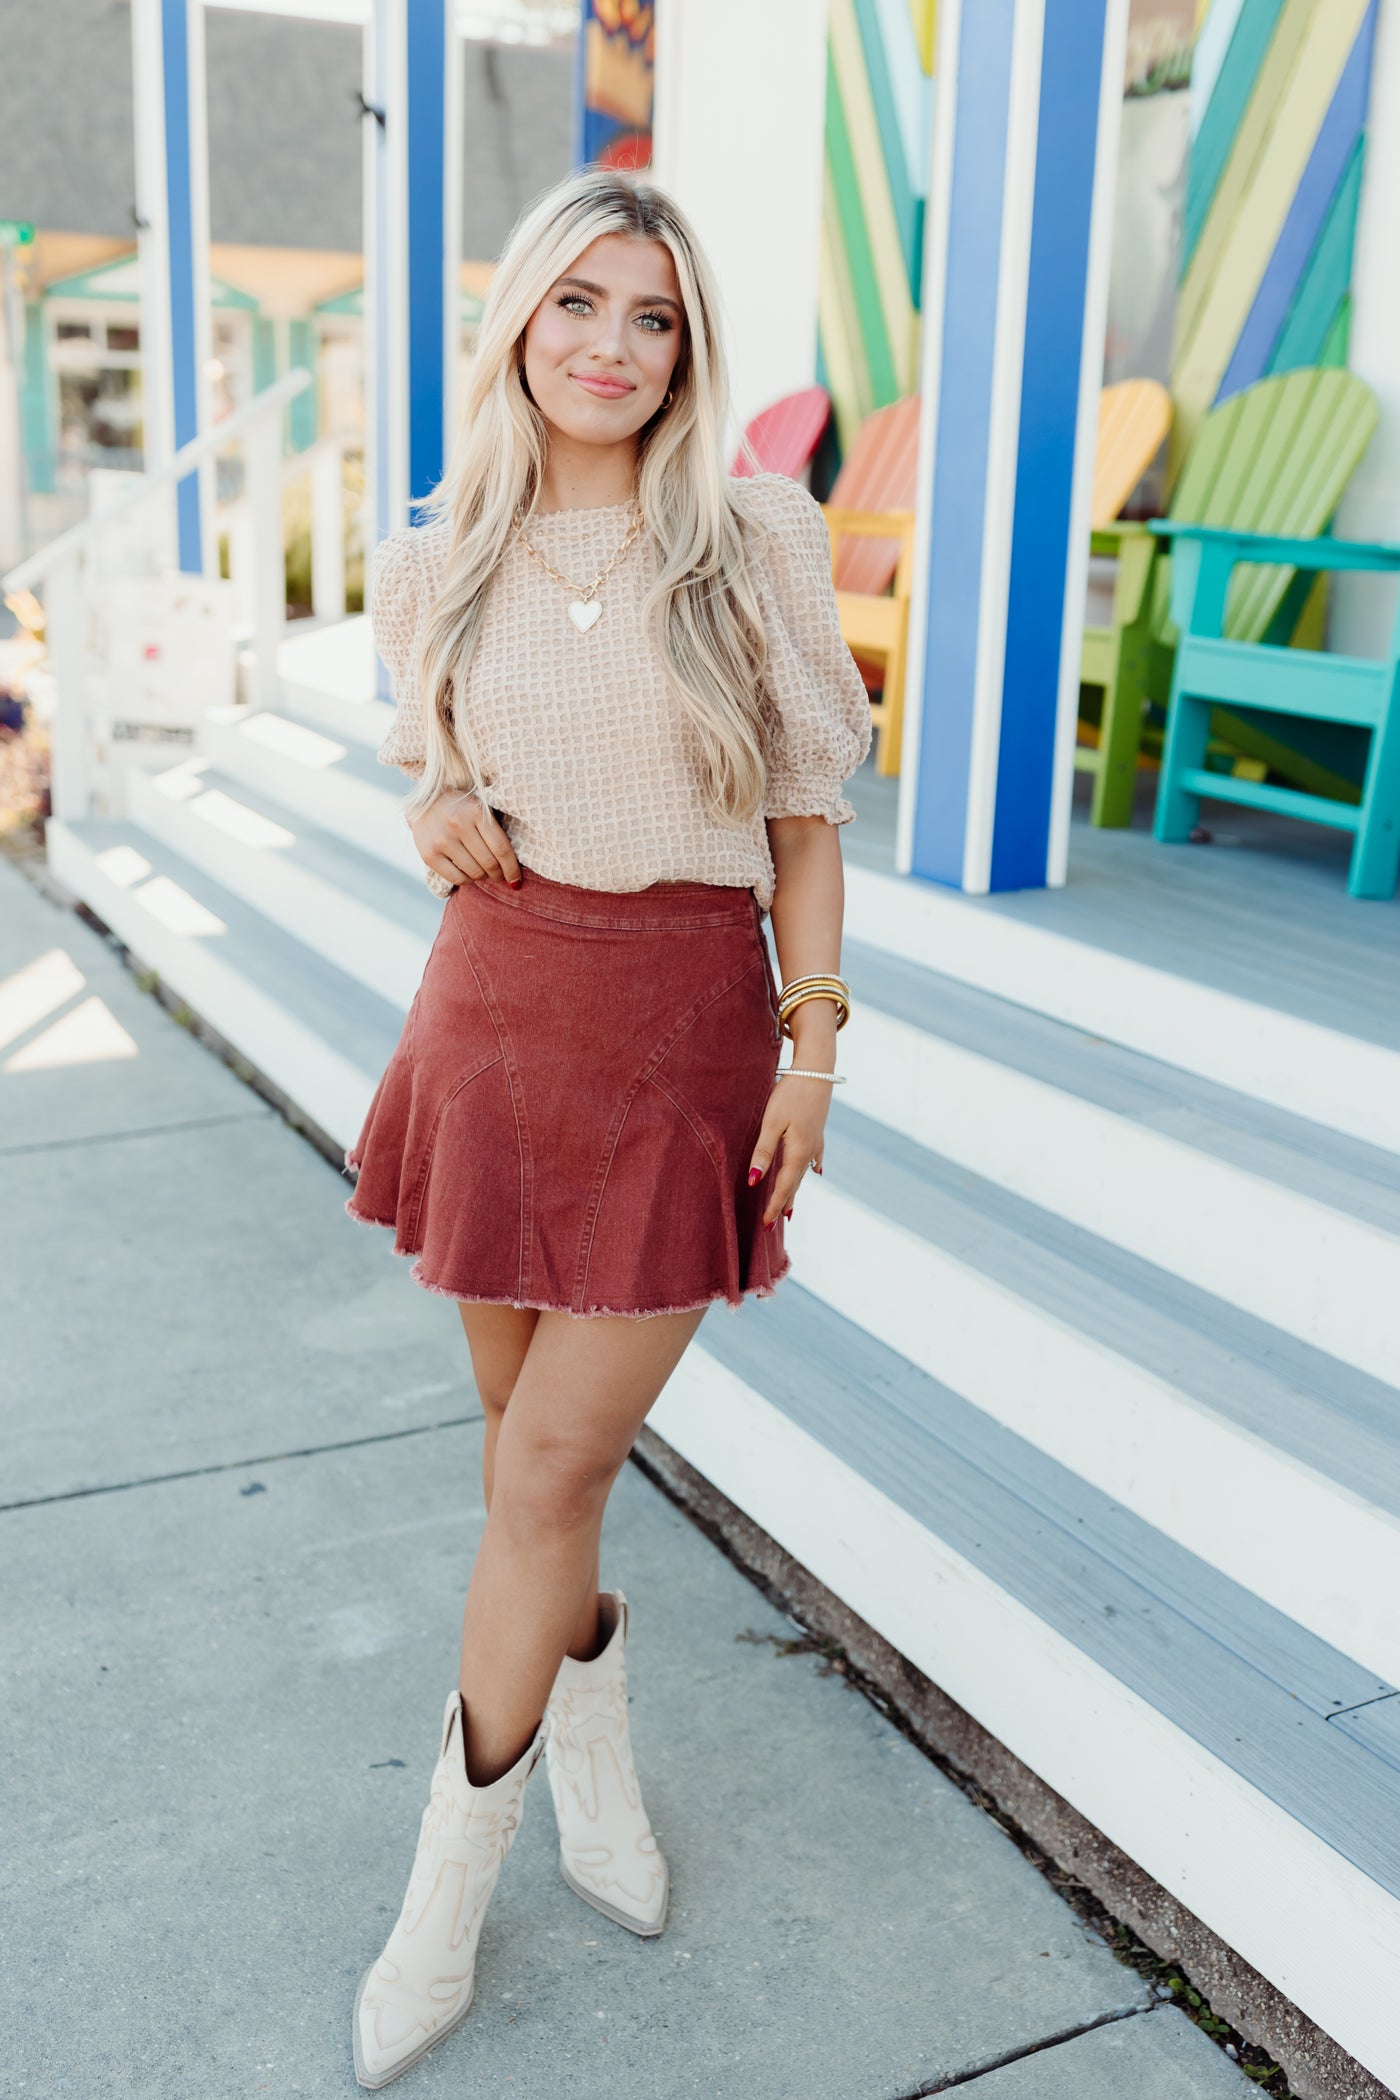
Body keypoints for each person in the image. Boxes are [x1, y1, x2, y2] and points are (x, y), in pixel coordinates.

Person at [340, 164, 871, 2090]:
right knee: (523, 1475)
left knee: (546, 1473)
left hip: (681, 1040)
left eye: (651, 319)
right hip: (494, 1022)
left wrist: (812, 1054)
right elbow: (446, 761)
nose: (612, 349)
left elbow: (804, 822)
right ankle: (595, 1737)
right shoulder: (440, 552)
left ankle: (440, 1902)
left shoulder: (754, 540)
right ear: (518, 323)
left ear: (688, 347)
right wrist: (434, 806)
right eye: (579, 306)